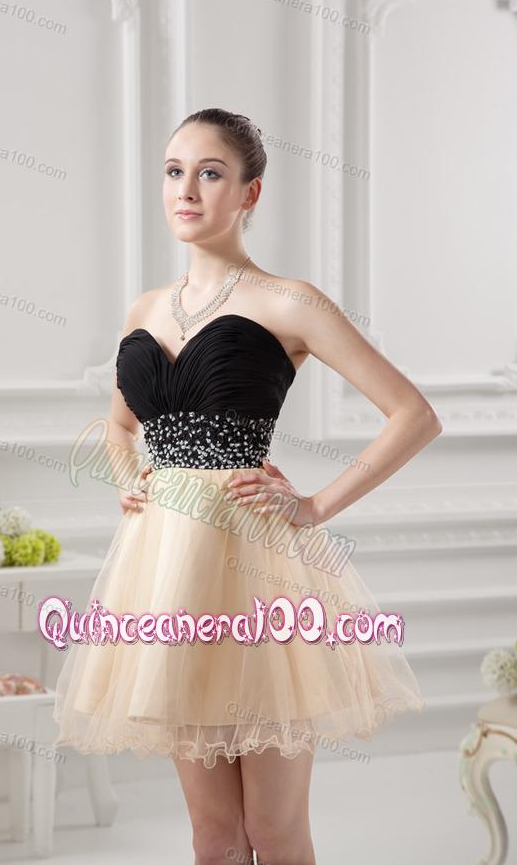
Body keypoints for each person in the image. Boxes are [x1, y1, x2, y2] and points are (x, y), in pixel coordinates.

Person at [52, 107, 443, 865]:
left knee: (275, 830)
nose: (186, 189)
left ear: (249, 192)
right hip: (164, 569)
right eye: (174, 172)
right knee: (215, 836)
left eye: (210, 173)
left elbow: (413, 415)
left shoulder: (288, 301)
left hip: (256, 565)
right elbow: (119, 428)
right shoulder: (145, 309)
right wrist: (132, 483)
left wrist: (314, 506)